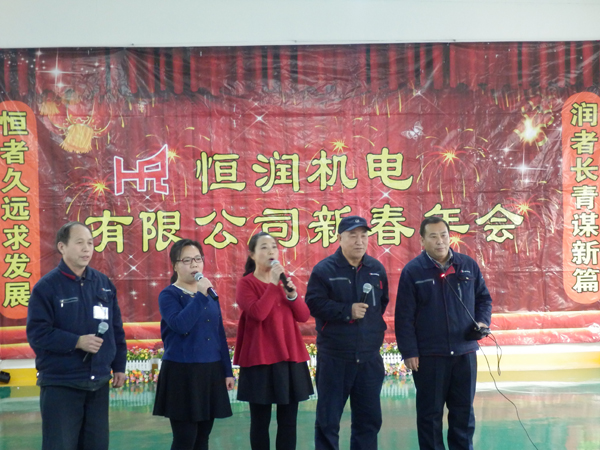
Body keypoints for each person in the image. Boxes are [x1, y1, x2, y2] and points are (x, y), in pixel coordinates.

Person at [26, 221, 127, 450]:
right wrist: (77, 342)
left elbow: (115, 328)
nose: (86, 249)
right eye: (80, 242)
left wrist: (119, 366)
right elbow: (38, 333)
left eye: (90, 243)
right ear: (62, 247)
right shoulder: (47, 287)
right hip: (61, 384)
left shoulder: (103, 284)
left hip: (98, 384)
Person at [395, 217, 493, 450]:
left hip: (464, 352)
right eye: (433, 236)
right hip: (430, 356)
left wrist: (482, 322)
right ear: (422, 240)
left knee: (463, 413)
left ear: (450, 237)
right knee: (430, 416)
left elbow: (483, 299)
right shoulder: (413, 271)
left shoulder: (467, 265)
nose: (440, 241)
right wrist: (409, 351)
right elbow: (404, 316)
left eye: (443, 235)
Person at [305, 215, 389, 450]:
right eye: (352, 236)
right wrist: (346, 311)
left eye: (363, 236)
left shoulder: (376, 269)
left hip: (369, 359)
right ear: (340, 238)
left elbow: (381, 304)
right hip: (335, 358)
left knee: (369, 421)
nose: (359, 241)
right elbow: (313, 304)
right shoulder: (324, 270)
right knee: (328, 421)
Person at [233, 231, 314, 450]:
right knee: (260, 422)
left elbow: (303, 315)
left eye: (274, 247)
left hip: (289, 358)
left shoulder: (283, 282)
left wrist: (292, 294)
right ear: (252, 254)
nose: (271, 251)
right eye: (264, 247)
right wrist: (272, 284)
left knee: (288, 421)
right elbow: (258, 313)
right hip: (260, 359)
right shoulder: (246, 284)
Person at [153, 239, 234, 450]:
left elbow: (218, 334)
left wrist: (227, 371)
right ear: (175, 265)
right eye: (187, 260)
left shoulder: (209, 295)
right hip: (182, 373)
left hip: (211, 371)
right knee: (185, 439)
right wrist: (200, 295)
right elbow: (180, 325)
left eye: (198, 259)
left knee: (203, 438)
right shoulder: (169, 295)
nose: (194, 264)